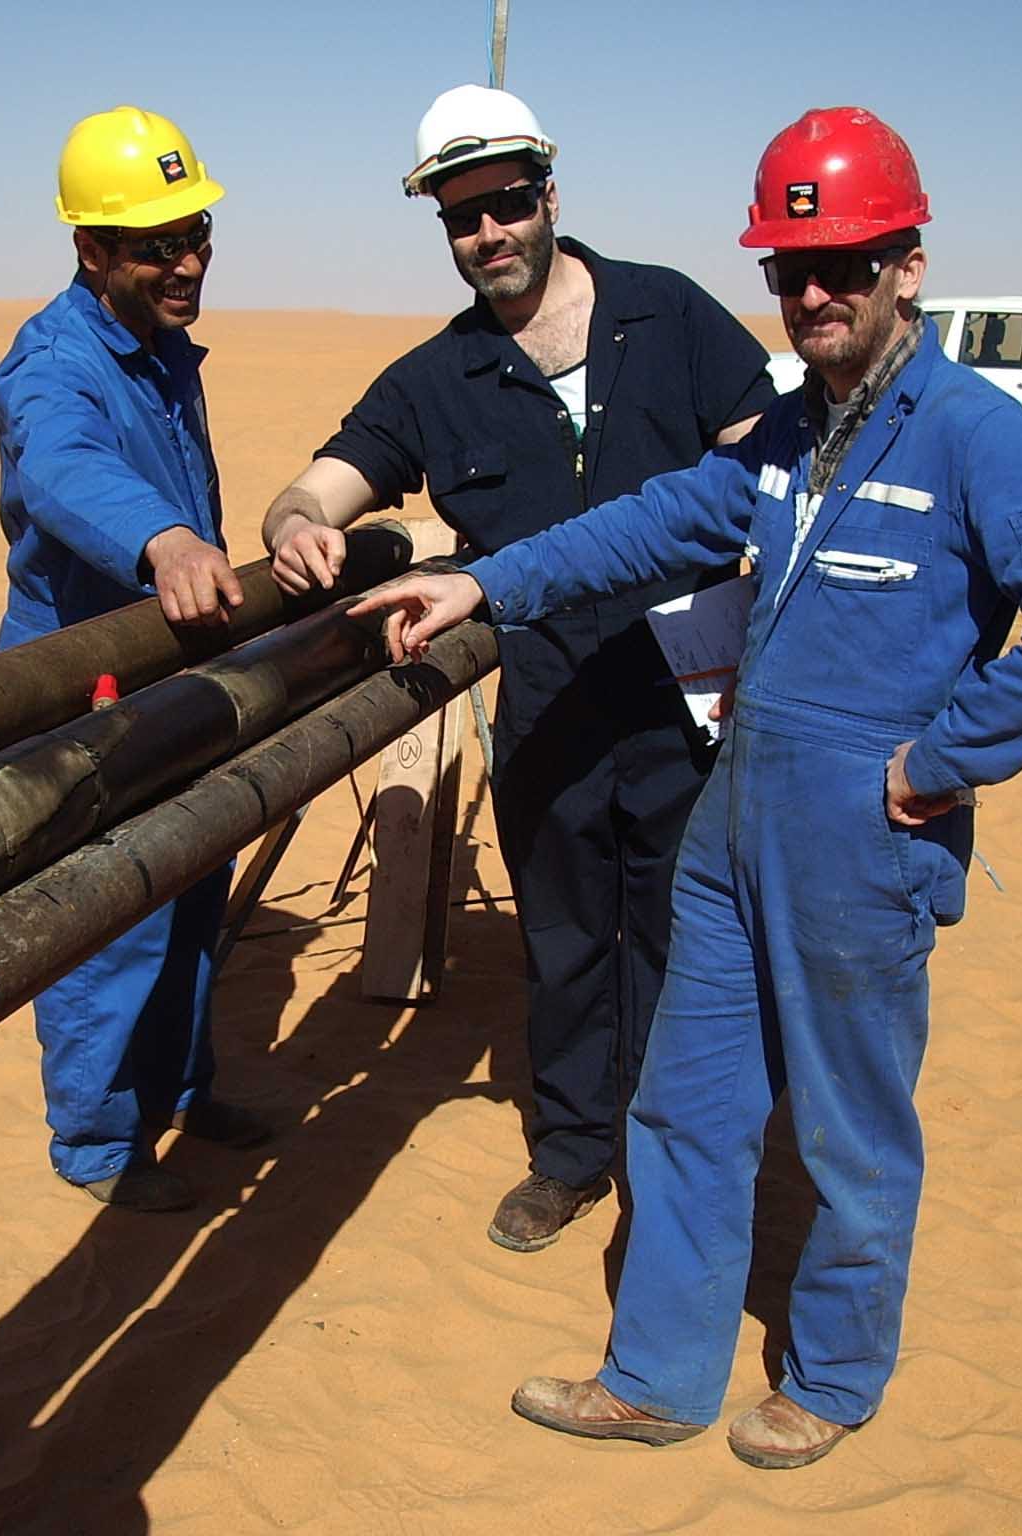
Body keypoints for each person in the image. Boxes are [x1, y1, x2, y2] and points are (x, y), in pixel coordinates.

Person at [352, 106, 1022, 1467]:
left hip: (863, 834)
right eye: (791, 271)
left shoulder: (973, 436)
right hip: (735, 815)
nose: (814, 295)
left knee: (847, 1124)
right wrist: (487, 577)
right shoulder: (792, 437)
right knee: (687, 1098)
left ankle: (834, 1375)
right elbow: (650, 522)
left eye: (843, 263)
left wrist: (937, 764)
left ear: (907, 261)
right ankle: (660, 1372)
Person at [262, 85, 777, 1253]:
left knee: (677, 934)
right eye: (459, 218)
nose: (485, 234)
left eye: (502, 204)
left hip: (689, 695)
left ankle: (667, 1162)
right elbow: (319, 483)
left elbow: (766, 455)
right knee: (563, 935)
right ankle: (571, 1154)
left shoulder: (671, 317)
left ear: (547, 194)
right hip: (544, 702)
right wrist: (298, 526)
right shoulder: (434, 381)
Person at [0, 105, 267, 1212]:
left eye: (196, 233)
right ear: (89, 250)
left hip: (179, 662)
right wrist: (165, 539)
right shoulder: (52, 360)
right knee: (112, 914)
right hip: (89, 680)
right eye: (156, 245)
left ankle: (182, 1091)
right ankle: (100, 1146)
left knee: (193, 886)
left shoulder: (159, 349)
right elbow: (60, 467)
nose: (188, 261)